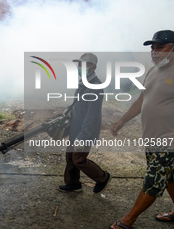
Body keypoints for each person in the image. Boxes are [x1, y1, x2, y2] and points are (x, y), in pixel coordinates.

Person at [110, 30, 174, 229]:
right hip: (153, 138)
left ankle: (128, 220)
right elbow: (142, 99)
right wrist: (122, 121)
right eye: (152, 48)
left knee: (154, 179)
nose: (155, 52)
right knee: (170, 177)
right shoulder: (154, 70)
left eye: (160, 47)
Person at [58, 52, 111, 194]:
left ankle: (102, 177)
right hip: (75, 127)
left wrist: (83, 135)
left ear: (93, 67)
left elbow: (92, 115)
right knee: (70, 157)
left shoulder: (96, 86)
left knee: (78, 159)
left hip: (85, 130)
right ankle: (72, 183)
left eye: (83, 65)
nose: (79, 67)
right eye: (79, 64)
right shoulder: (84, 81)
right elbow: (78, 105)